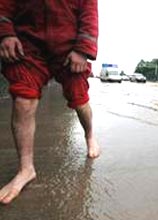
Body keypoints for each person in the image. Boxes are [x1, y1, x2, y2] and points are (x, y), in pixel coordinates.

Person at [0, 0, 100, 204]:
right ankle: (26, 169)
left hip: (69, 50)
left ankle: (89, 134)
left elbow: (89, 14)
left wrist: (83, 49)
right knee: (23, 99)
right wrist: (6, 33)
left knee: (79, 100)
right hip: (28, 45)